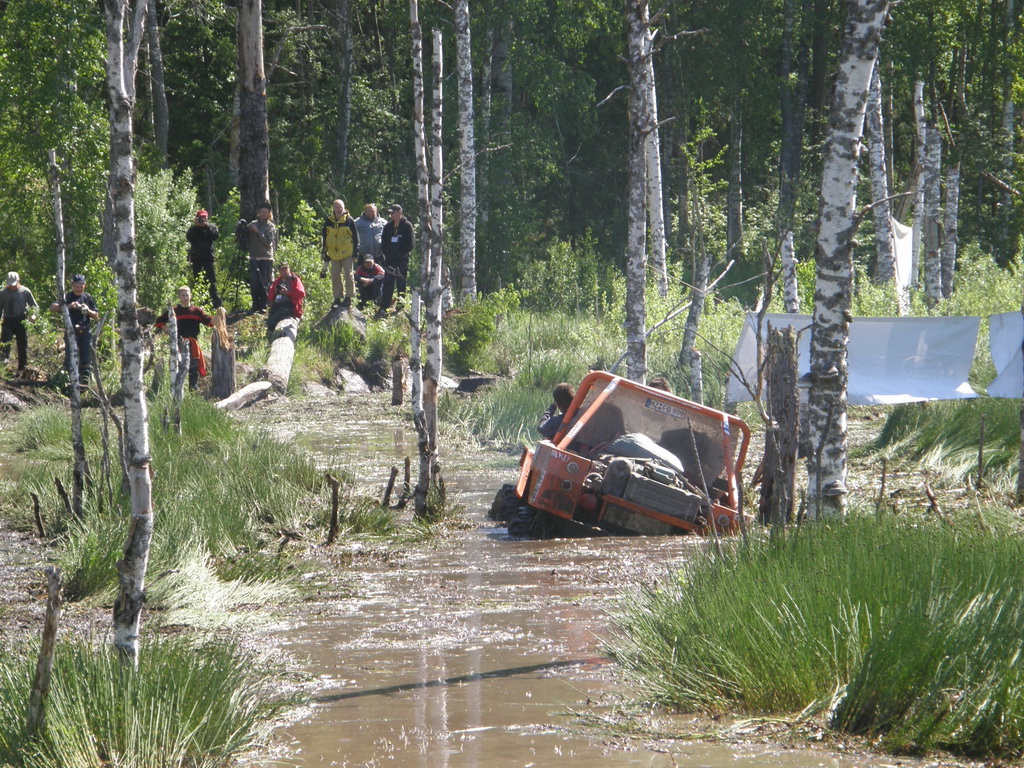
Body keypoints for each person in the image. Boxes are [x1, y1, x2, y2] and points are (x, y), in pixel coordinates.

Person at [154, 286, 214, 391]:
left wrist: (219, 317)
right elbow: (159, 321)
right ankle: (176, 390)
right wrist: (168, 329)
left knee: (193, 368)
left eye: (187, 295)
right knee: (177, 367)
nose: (185, 297)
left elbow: (208, 321)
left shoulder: (196, 311)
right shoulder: (174, 310)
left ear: (191, 296)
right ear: (179, 297)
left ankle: (193, 390)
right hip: (178, 343)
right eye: (183, 295)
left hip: (193, 344)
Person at [50, 274, 99, 385]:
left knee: (86, 358)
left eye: (81, 286)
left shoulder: (87, 297)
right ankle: (66, 381)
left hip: (85, 331)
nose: (79, 289)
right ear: (73, 285)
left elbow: (96, 316)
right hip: (71, 331)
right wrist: (68, 306)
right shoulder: (67, 297)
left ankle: (85, 382)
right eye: (77, 286)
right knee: (70, 356)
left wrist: (87, 310)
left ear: (84, 285)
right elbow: (52, 307)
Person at [320, 199, 358, 308]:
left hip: (347, 252)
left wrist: (355, 253)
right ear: (333, 208)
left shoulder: (349, 220)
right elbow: (325, 237)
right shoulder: (328, 221)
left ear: (344, 207)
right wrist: (324, 251)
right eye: (336, 207)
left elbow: (356, 238)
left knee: (348, 275)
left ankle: (349, 297)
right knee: (335, 275)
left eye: (340, 207)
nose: (338, 209)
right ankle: (337, 298)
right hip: (333, 254)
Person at [379, 203, 414, 317]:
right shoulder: (388, 226)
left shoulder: (407, 226)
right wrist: (387, 253)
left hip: (401, 260)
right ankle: (384, 306)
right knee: (388, 283)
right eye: (390, 213)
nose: (391, 215)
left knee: (401, 283)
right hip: (389, 260)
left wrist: (401, 254)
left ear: (399, 213)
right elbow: (383, 242)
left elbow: (411, 244)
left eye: (393, 213)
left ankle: (400, 306)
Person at [0, 272, 38, 377]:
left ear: (18, 281)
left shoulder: (25, 291)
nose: (12, 286)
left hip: (21, 321)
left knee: (22, 347)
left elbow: (35, 307)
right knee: (5, 345)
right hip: (8, 321)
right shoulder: (2, 293)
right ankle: (3, 369)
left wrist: (33, 316)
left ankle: (21, 370)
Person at [185, 209, 222, 308]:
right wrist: (195, 226)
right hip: (196, 259)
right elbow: (189, 237)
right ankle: (201, 304)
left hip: (208, 259)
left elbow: (215, 236)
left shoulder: (211, 227)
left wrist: (207, 225)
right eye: (200, 218)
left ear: (207, 218)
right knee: (198, 282)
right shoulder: (193, 228)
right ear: (197, 218)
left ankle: (217, 305)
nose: (202, 220)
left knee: (212, 283)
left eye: (204, 218)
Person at [247, 203, 277, 312]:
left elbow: (268, 242)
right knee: (254, 282)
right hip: (254, 257)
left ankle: (263, 305)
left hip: (266, 258)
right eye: (262, 212)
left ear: (269, 214)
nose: (264, 214)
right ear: (258, 213)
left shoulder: (270, 226)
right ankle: (255, 305)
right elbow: (245, 236)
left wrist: (258, 232)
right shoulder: (253, 224)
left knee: (264, 282)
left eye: (266, 212)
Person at [265, 263, 305, 336]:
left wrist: (287, 293)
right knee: (269, 322)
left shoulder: (295, 279)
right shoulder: (278, 281)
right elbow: (270, 295)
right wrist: (276, 292)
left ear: (289, 269)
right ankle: (270, 336)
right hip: (278, 304)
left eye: (285, 269)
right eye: (282, 270)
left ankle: (274, 334)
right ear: (279, 271)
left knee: (273, 320)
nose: (284, 271)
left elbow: (301, 294)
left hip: (290, 306)